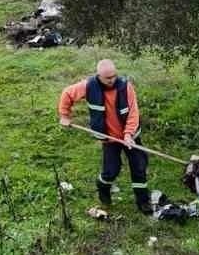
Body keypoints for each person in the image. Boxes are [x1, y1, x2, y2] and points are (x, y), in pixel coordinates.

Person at [57, 60, 148, 213]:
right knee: (111, 171)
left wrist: (128, 134)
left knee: (139, 167)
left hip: (130, 137)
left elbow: (133, 113)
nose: (112, 80)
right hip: (109, 139)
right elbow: (67, 93)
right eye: (108, 78)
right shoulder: (88, 86)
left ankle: (143, 201)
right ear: (99, 76)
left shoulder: (126, 87)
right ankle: (103, 189)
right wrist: (65, 116)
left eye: (114, 76)